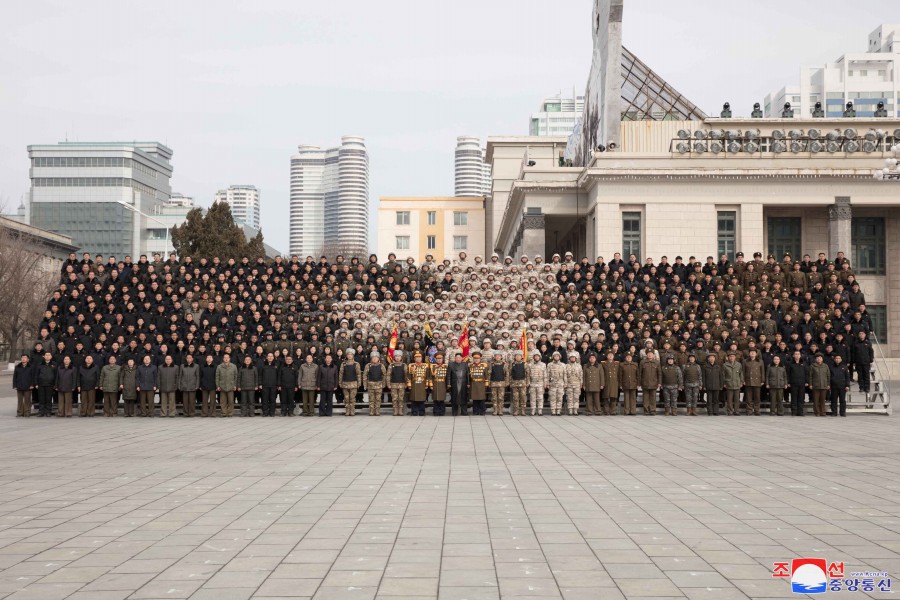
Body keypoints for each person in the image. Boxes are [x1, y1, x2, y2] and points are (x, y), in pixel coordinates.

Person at [338, 350, 362, 416]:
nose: (350, 356)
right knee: (346, 399)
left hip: (353, 384)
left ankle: (352, 411)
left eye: (351, 354)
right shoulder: (343, 364)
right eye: (348, 354)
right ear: (346, 355)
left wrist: (359, 383)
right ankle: (347, 411)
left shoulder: (356, 364)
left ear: (353, 356)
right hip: (345, 384)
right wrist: (340, 383)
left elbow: (358, 374)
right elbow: (341, 374)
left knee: (352, 399)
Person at [851, 331, 874, 399]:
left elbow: (871, 352)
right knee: (860, 376)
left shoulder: (868, 342)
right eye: (860, 334)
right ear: (858, 335)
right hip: (858, 362)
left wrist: (871, 360)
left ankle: (867, 388)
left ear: (865, 335)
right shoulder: (856, 343)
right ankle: (861, 387)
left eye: (862, 334)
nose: (861, 335)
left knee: (866, 375)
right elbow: (853, 353)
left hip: (866, 362)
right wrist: (854, 361)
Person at [786, 350, 809, 416]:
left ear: (800, 355)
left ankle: (800, 411)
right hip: (793, 383)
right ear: (793, 355)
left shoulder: (804, 364)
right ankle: (794, 411)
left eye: (798, 354)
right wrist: (788, 382)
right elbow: (788, 374)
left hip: (802, 383)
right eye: (795, 354)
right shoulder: (790, 364)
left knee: (801, 398)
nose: (797, 355)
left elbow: (806, 373)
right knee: (794, 398)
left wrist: (807, 381)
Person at [742, 349, 765, 416]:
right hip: (748, 381)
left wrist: (762, 380)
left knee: (757, 398)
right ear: (749, 353)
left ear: (756, 354)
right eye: (751, 352)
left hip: (757, 381)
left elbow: (762, 371)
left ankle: (757, 410)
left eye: (754, 352)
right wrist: (743, 380)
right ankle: (749, 411)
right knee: (749, 398)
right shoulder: (745, 361)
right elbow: (743, 372)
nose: (752, 353)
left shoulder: (760, 361)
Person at [407, 352, 429, 416]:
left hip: (422, 383)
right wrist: (409, 383)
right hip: (414, 383)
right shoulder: (411, 366)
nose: (418, 359)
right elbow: (409, 375)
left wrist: (427, 383)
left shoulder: (425, 366)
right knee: (414, 398)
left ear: (421, 358)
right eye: (417, 357)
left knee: (422, 398)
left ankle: (422, 411)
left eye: (419, 357)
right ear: (414, 359)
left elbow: (428, 375)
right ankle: (414, 411)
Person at [722, 351, 744, 416]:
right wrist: (724, 383)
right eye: (730, 356)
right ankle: (730, 411)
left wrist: (741, 382)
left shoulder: (739, 364)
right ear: (728, 357)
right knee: (729, 399)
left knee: (737, 399)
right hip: (729, 384)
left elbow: (741, 374)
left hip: (737, 383)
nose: (731, 358)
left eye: (733, 356)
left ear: (735, 357)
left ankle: (737, 411)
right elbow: (723, 375)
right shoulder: (725, 365)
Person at [35, 352, 56, 417]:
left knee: (48, 399)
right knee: (41, 399)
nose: (47, 356)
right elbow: (36, 374)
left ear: (51, 357)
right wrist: (36, 383)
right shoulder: (40, 364)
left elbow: (56, 375)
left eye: (49, 355)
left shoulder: (54, 364)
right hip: (41, 384)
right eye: (46, 355)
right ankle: (41, 412)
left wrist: (55, 384)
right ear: (44, 356)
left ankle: (48, 412)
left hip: (50, 384)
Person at [488, 351, 509, 416]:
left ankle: (500, 411)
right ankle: (495, 410)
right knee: (494, 398)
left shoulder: (504, 364)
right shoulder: (491, 364)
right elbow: (489, 374)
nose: (497, 357)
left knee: (501, 398)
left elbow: (507, 374)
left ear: (501, 357)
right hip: (493, 383)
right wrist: (488, 382)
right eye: (496, 356)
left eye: (499, 356)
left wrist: (507, 382)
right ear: (494, 357)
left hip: (501, 383)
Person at [547, 351, 566, 416]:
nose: (556, 357)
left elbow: (565, 375)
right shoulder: (549, 365)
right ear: (553, 357)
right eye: (555, 356)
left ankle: (558, 411)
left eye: (557, 356)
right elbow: (547, 374)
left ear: (559, 357)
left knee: (559, 398)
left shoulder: (563, 365)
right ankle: (553, 411)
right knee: (553, 398)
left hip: (560, 383)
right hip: (552, 384)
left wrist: (565, 383)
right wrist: (547, 383)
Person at [508, 351, 527, 416]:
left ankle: (523, 411)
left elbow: (527, 374)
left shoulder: (525, 364)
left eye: (519, 356)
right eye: (516, 356)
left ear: (521, 357)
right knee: (515, 398)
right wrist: (510, 382)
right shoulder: (512, 364)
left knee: (523, 398)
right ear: (515, 357)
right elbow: (510, 374)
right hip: (514, 384)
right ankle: (516, 411)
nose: (518, 357)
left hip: (522, 383)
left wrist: (527, 382)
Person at [389, 351, 408, 416]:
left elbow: (406, 375)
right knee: (394, 398)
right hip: (393, 384)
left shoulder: (404, 365)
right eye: (396, 356)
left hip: (401, 384)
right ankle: (395, 410)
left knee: (401, 398)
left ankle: (400, 410)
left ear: (401, 357)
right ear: (394, 357)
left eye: (399, 356)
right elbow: (388, 375)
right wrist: (388, 384)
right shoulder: (391, 365)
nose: (397, 358)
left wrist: (406, 383)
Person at [469, 351, 488, 415]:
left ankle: (482, 411)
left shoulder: (484, 365)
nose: (476, 360)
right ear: (473, 359)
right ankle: (475, 411)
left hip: (481, 384)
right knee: (475, 398)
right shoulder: (470, 366)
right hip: (473, 384)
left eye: (477, 358)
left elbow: (486, 375)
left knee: (481, 398)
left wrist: (486, 382)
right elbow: (469, 375)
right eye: (475, 359)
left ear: (480, 359)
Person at [601, 352, 619, 416]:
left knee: (613, 397)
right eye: (609, 355)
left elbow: (619, 374)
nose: (610, 356)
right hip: (606, 382)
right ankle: (606, 411)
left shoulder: (617, 363)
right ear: (607, 356)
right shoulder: (603, 363)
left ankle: (613, 411)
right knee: (606, 397)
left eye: (612, 355)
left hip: (614, 382)